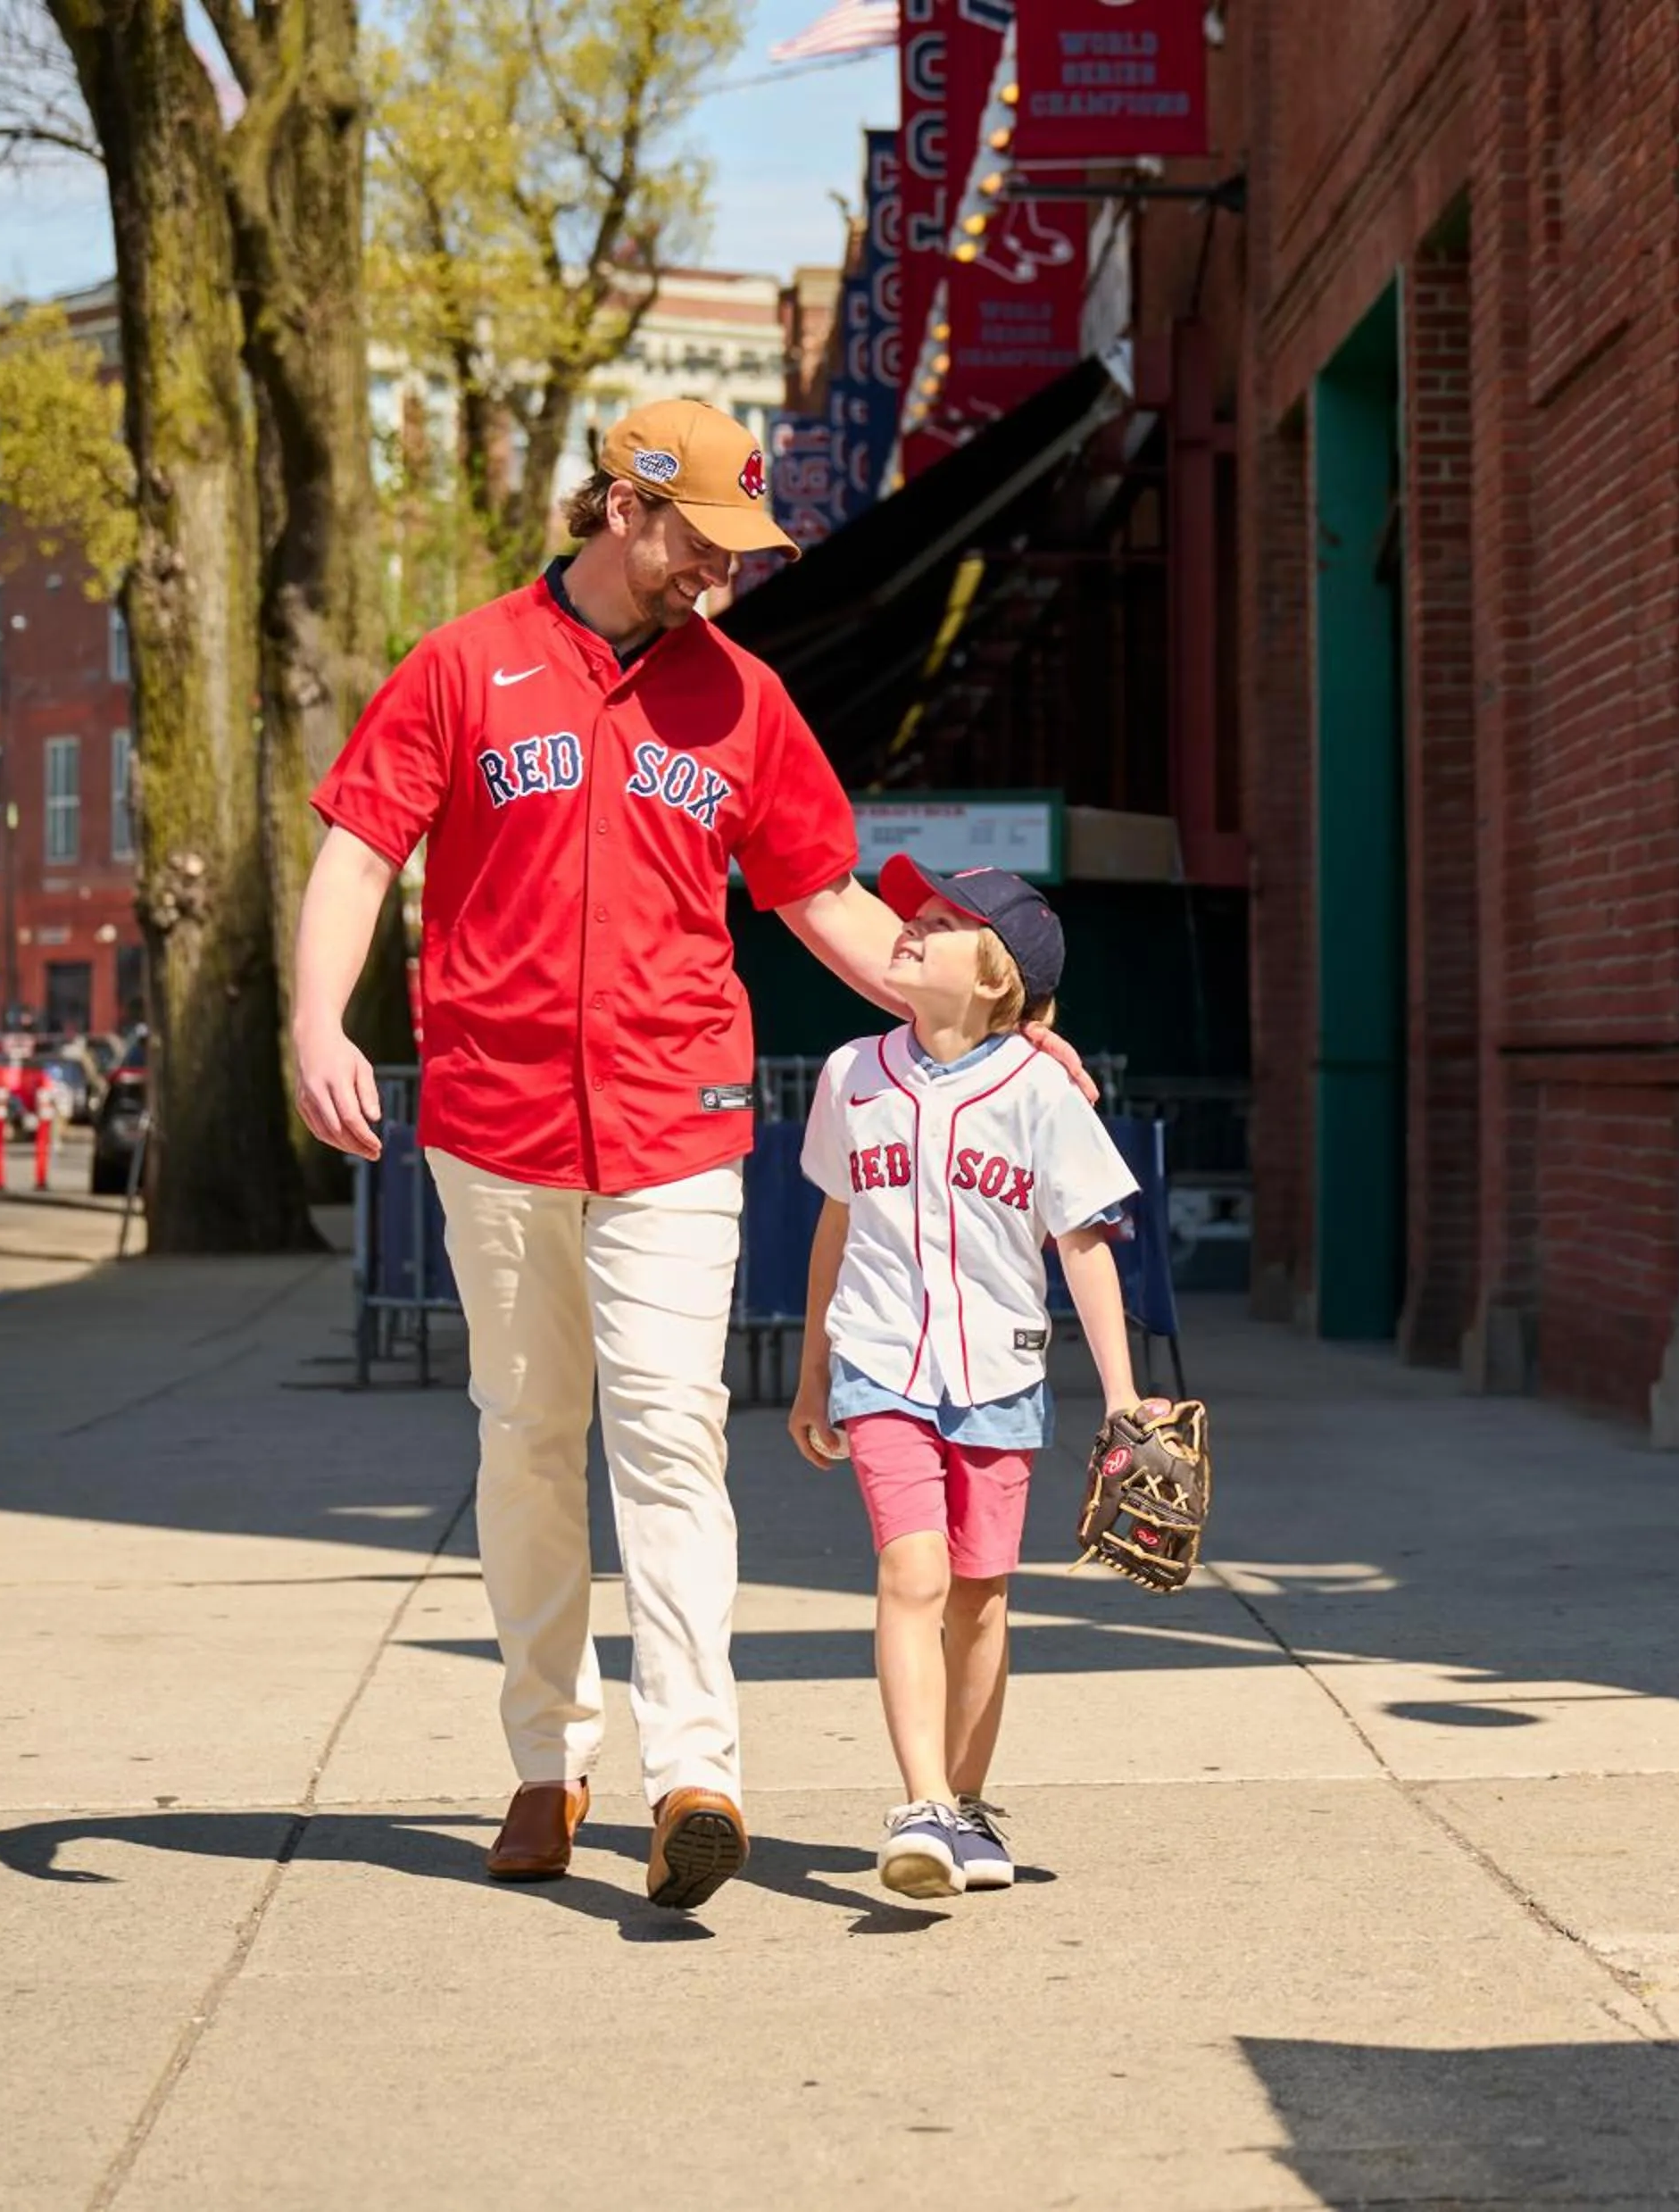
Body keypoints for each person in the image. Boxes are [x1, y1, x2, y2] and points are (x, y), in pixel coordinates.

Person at [287, 399, 1085, 1912]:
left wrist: (991, 1023)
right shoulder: (463, 666)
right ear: (620, 509)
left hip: (677, 1122)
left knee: (667, 1431)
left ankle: (694, 1774)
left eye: (736, 553)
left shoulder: (745, 700)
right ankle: (547, 1754)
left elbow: (829, 900)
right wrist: (316, 1022)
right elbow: (359, 847)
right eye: (697, 546)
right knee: (525, 1436)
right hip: (496, 1120)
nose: (714, 579)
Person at [788, 857, 1161, 1899]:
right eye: (913, 914)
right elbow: (834, 1222)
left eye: (942, 922)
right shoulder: (849, 1072)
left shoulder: (1042, 1091)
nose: (908, 927)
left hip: (998, 1372)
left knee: (983, 1601)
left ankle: (965, 1802)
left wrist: (1124, 1398)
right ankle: (918, 1806)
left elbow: (1084, 1244)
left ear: (996, 974)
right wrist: (815, 1369)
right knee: (914, 1576)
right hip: (879, 1365)